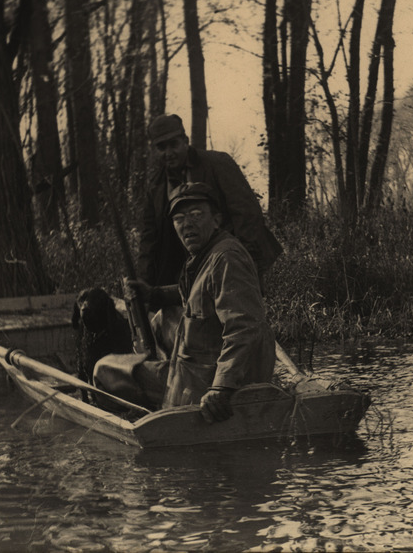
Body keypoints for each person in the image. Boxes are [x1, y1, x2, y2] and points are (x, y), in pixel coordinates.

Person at [94, 182, 276, 423]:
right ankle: (160, 390)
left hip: (211, 388)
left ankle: (152, 412)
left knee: (103, 370)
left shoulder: (226, 258)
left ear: (216, 220)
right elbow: (195, 296)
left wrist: (221, 388)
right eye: (179, 218)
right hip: (199, 371)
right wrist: (155, 294)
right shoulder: (206, 255)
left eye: (197, 215)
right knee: (166, 316)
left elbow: (243, 327)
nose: (187, 224)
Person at [138, 114, 282, 300]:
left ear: (185, 141)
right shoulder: (156, 186)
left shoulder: (217, 164)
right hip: (187, 271)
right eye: (161, 147)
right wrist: (145, 285)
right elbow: (149, 239)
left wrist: (246, 264)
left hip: (230, 257)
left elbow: (247, 215)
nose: (168, 153)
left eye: (173, 144)